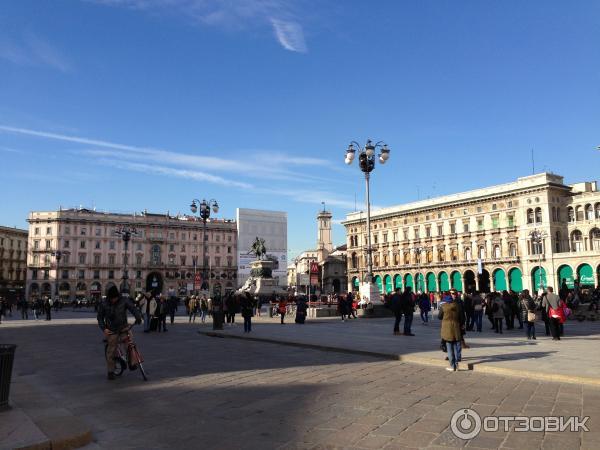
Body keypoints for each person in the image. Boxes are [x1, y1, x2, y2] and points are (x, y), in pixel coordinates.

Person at [97, 285, 142, 380]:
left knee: (129, 345)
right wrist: (104, 328)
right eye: (112, 298)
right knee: (111, 351)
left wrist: (138, 317)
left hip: (123, 327)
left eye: (115, 298)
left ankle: (131, 363)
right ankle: (111, 371)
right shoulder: (104, 303)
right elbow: (100, 318)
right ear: (109, 297)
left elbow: (133, 308)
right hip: (111, 330)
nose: (114, 300)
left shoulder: (124, 300)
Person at [438, 290, 465, 372]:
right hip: (456, 327)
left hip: (447, 328)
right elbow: (461, 317)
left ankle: (452, 366)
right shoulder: (457, 306)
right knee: (456, 345)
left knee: (449, 347)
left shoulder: (444, 306)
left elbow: (439, 317)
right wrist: (462, 324)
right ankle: (457, 365)